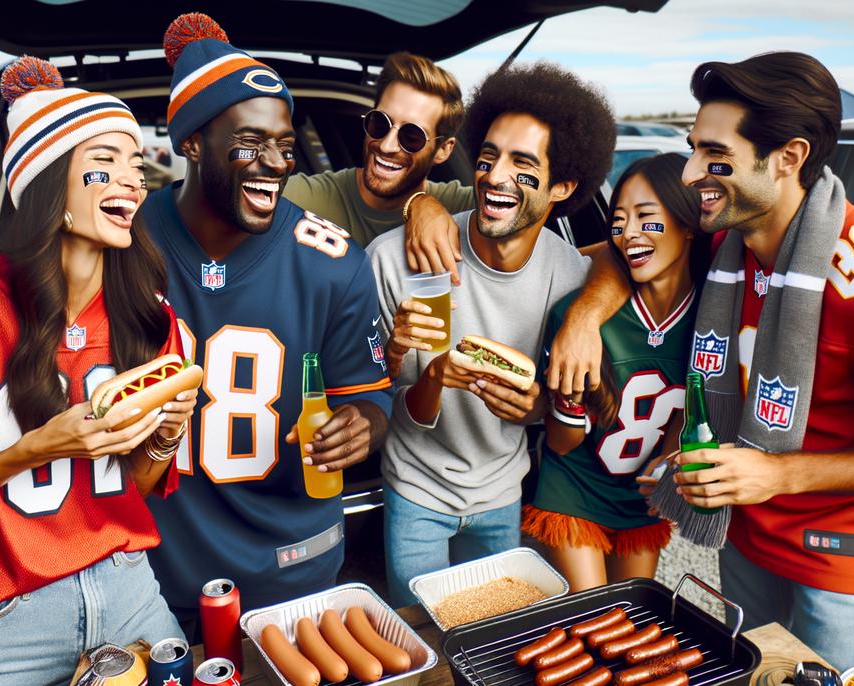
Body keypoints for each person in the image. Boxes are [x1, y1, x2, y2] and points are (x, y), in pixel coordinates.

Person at [555, 52, 854, 670]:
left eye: (715, 158)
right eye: (694, 149)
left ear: (789, 158)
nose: (694, 171)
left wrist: (780, 475)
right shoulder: (729, 238)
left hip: (841, 557)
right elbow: (620, 249)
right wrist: (583, 317)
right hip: (745, 536)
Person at [0, 57, 192, 685]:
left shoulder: (153, 317)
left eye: (139, 164)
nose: (134, 180)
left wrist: (163, 435)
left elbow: (141, 482)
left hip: (129, 587)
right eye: (108, 159)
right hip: (4, 607)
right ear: (48, 179)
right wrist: (36, 449)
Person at [140, 14, 393, 631]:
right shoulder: (125, 241)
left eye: (285, 145)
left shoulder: (333, 263)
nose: (275, 164)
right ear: (192, 141)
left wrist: (359, 427)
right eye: (250, 143)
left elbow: (372, 400)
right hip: (145, 569)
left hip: (292, 563)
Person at [367, 62, 615, 606]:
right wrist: (413, 362)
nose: (495, 176)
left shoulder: (572, 281)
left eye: (523, 165)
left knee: (495, 649)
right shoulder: (391, 261)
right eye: (487, 159)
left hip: (505, 495)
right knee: (424, 646)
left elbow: (572, 418)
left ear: (563, 186)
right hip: (413, 491)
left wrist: (537, 408)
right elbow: (377, 406)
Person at [523, 154, 709, 592]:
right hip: (575, 493)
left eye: (647, 217)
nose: (629, 234)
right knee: (590, 620)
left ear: (687, 222)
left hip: (640, 502)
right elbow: (561, 442)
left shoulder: (712, 314)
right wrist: (567, 397)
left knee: (633, 619)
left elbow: (697, 403)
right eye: (619, 221)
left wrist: (671, 456)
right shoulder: (578, 316)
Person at [284, 52, 474, 251]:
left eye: (411, 136)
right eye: (380, 123)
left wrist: (424, 202)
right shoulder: (302, 199)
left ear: (442, 150)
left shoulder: (460, 207)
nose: (386, 146)